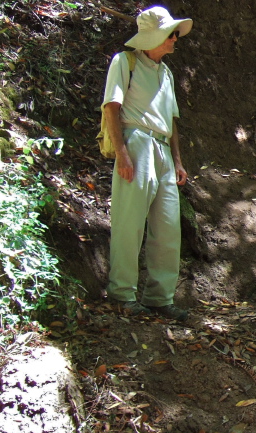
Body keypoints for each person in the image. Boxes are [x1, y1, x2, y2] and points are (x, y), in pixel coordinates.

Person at [101, 6, 193, 321]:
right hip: (135, 143)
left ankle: (160, 298)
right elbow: (111, 108)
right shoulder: (124, 62)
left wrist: (177, 161)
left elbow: (172, 121)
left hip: (163, 150)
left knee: (168, 227)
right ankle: (122, 294)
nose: (175, 39)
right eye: (171, 34)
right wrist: (123, 154)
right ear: (154, 37)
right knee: (129, 223)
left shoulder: (165, 73)